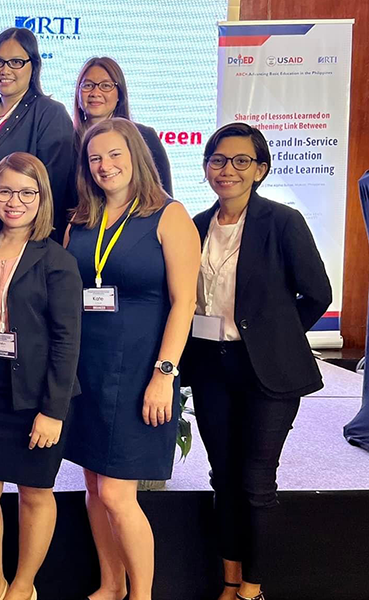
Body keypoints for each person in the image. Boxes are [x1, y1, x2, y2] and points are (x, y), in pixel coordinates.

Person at [182, 123, 331, 600]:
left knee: (255, 481)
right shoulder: (195, 225)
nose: (228, 170)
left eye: (241, 161)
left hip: (267, 373)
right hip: (210, 366)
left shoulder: (282, 222)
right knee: (222, 476)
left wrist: (273, 337)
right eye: (218, 160)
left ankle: (252, 588)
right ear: (206, 167)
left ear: (260, 169)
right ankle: (229, 581)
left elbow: (317, 294)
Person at [63, 118, 200, 600]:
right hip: (86, 370)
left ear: (136, 156)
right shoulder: (79, 219)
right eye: (95, 158)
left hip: (142, 370)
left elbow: (185, 302)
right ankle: (110, 584)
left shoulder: (169, 215)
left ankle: (141, 595)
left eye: (115, 154)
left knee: (119, 494)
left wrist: (165, 375)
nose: (105, 166)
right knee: (95, 490)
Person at [0, 152, 83, 600]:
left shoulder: (57, 260)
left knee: (34, 492)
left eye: (27, 192)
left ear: (41, 198)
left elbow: (67, 341)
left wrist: (53, 411)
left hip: (37, 389)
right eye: (5, 190)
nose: (14, 201)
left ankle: (23, 586)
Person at [0, 27, 76, 246]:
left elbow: (52, 192)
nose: (5, 70)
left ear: (34, 66)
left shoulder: (49, 114)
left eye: (16, 62)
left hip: (22, 241)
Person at [72, 56, 173, 196]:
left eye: (106, 86)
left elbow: (163, 195)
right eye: (88, 85)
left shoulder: (145, 136)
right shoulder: (65, 141)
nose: (95, 93)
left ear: (119, 93)